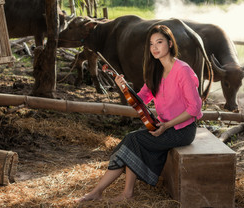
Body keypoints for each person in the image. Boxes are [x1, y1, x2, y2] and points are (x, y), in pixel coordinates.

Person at [78, 24, 202, 202]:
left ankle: (106, 192)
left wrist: (166, 125)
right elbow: (142, 98)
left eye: (159, 42)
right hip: (163, 126)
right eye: (151, 44)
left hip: (182, 130)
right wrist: (124, 87)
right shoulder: (155, 70)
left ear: (170, 43)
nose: (155, 48)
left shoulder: (182, 70)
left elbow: (195, 108)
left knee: (133, 139)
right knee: (132, 140)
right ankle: (112, 193)